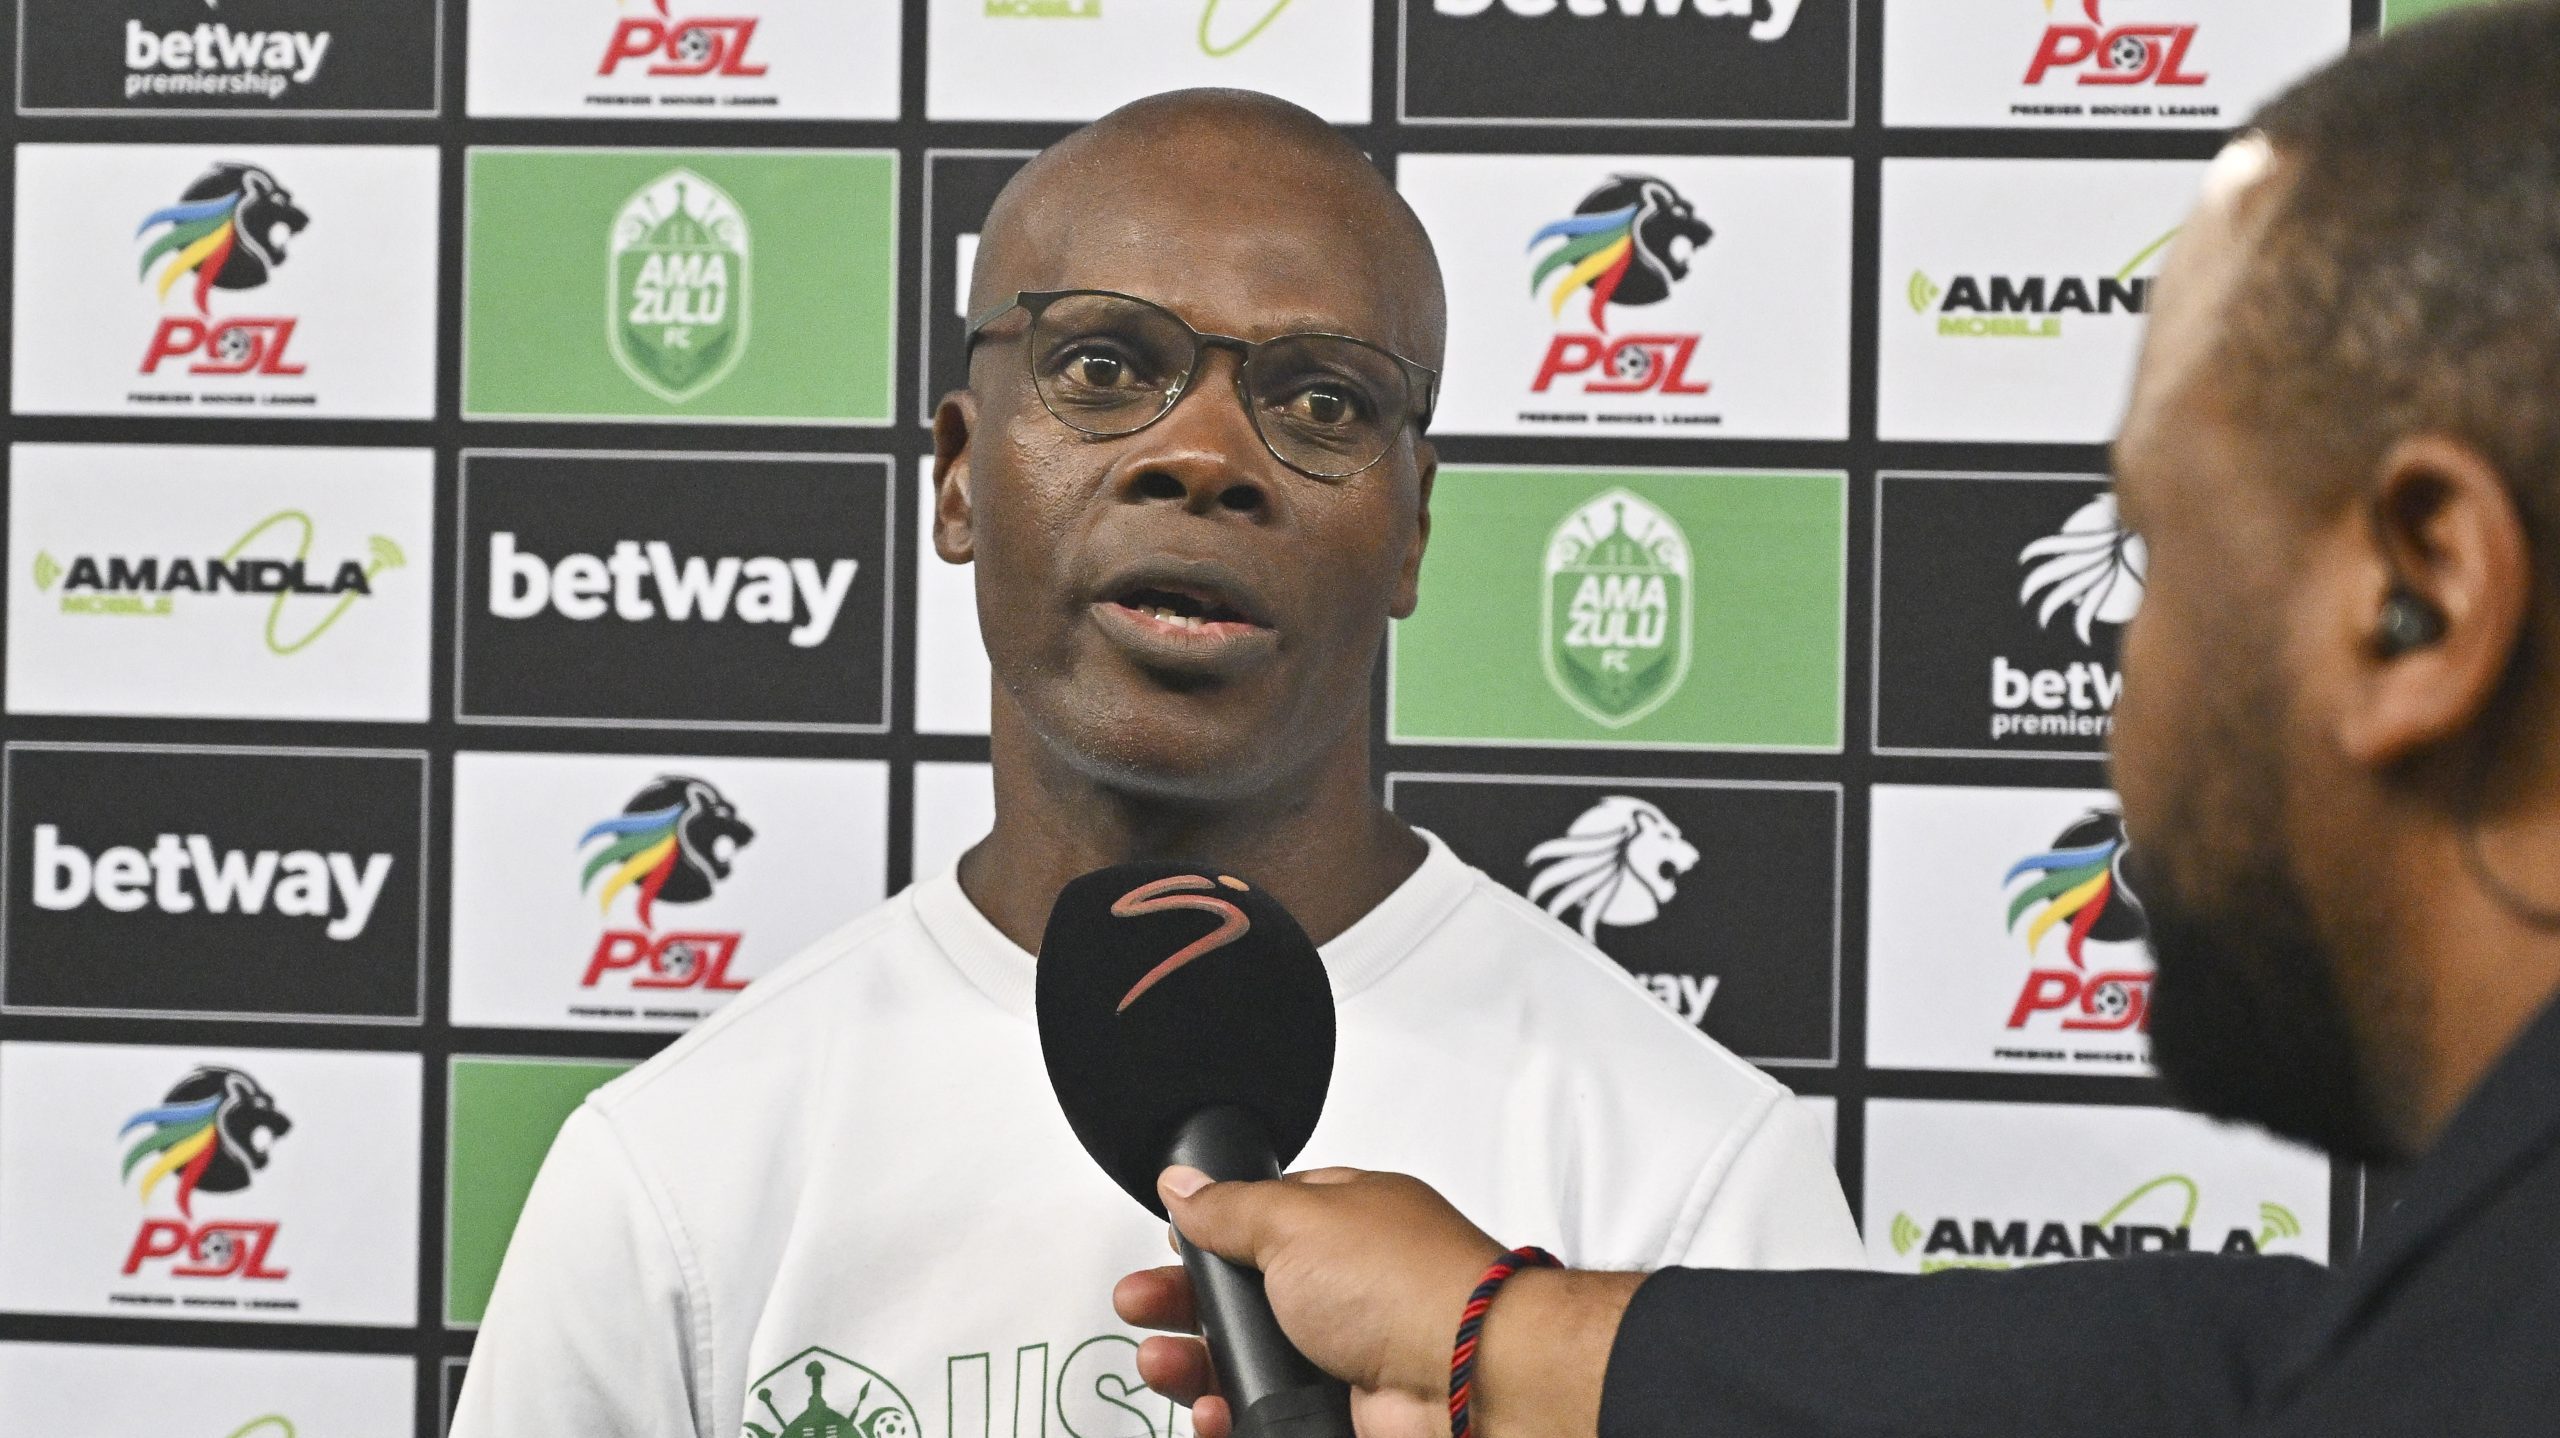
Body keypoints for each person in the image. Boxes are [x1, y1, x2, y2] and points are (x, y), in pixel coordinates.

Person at [1114, 9, 2560, 1437]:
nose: (2121, 709)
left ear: (2420, 598)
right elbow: (2251, 1379)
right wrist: (1510, 1343)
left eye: (2165, 555)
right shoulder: (2467, 1317)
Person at [450, 88, 1858, 1438]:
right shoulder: (672, 1177)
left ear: (1413, 531)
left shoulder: (1694, 1176)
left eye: (1322, 400)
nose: (1202, 454)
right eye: (1103, 368)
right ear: (958, 471)